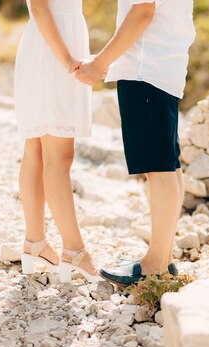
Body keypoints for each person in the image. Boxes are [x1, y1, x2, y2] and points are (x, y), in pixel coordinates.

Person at [76, 0, 196, 286]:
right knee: (168, 164)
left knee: (159, 167)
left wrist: (100, 63)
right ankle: (163, 258)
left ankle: (154, 264)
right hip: (162, 67)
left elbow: (142, 11)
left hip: (146, 70)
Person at [14, 0, 100, 283]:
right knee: (57, 155)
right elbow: (39, 6)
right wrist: (68, 61)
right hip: (54, 51)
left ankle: (35, 243)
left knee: (37, 148)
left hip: (50, 45)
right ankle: (74, 250)